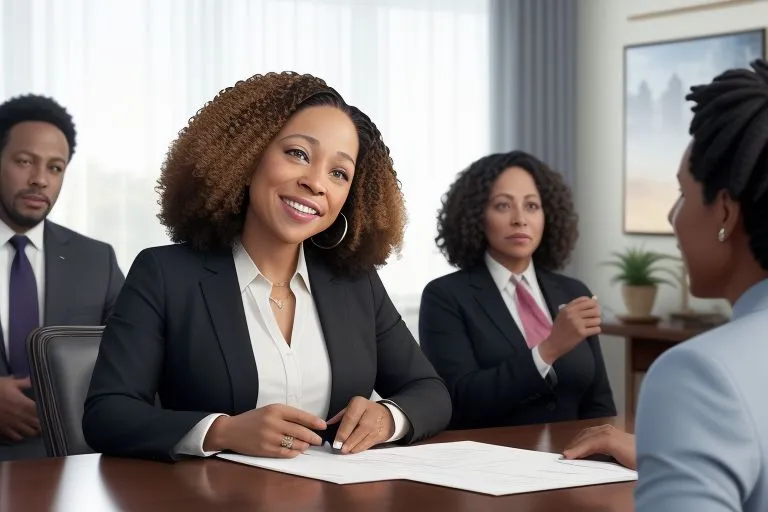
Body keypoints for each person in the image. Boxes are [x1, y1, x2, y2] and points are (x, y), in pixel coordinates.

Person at [82, 72, 452, 462]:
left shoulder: (355, 284)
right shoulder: (164, 274)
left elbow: (430, 391)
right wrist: (223, 430)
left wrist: (387, 418)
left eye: (339, 173)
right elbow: (107, 415)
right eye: (297, 154)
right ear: (245, 155)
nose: (316, 183)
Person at [563, 58, 768, 511]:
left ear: (725, 214)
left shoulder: (700, 376)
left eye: (682, 194)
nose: (672, 217)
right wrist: (679, 456)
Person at [418, 150, 615, 429]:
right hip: (491, 462)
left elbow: (600, 403)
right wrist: (548, 350)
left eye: (532, 206)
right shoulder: (445, 297)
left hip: (577, 463)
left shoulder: (573, 292)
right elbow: (459, 400)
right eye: (502, 206)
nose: (520, 219)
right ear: (476, 216)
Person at [0, 94, 124, 460]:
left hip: (69, 464)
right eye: (25, 162)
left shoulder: (96, 260)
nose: (39, 180)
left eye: (55, 168)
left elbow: (134, 358)